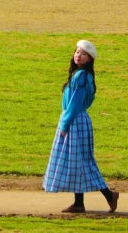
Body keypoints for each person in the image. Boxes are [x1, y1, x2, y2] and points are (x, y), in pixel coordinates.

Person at [42, 39, 119, 214]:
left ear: (90, 59)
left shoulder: (81, 77)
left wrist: (65, 124)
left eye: (83, 54)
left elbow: (74, 104)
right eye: (77, 52)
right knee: (80, 162)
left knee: (82, 162)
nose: (78, 55)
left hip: (75, 121)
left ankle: (107, 196)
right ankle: (82, 202)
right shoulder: (83, 75)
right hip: (79, 119)